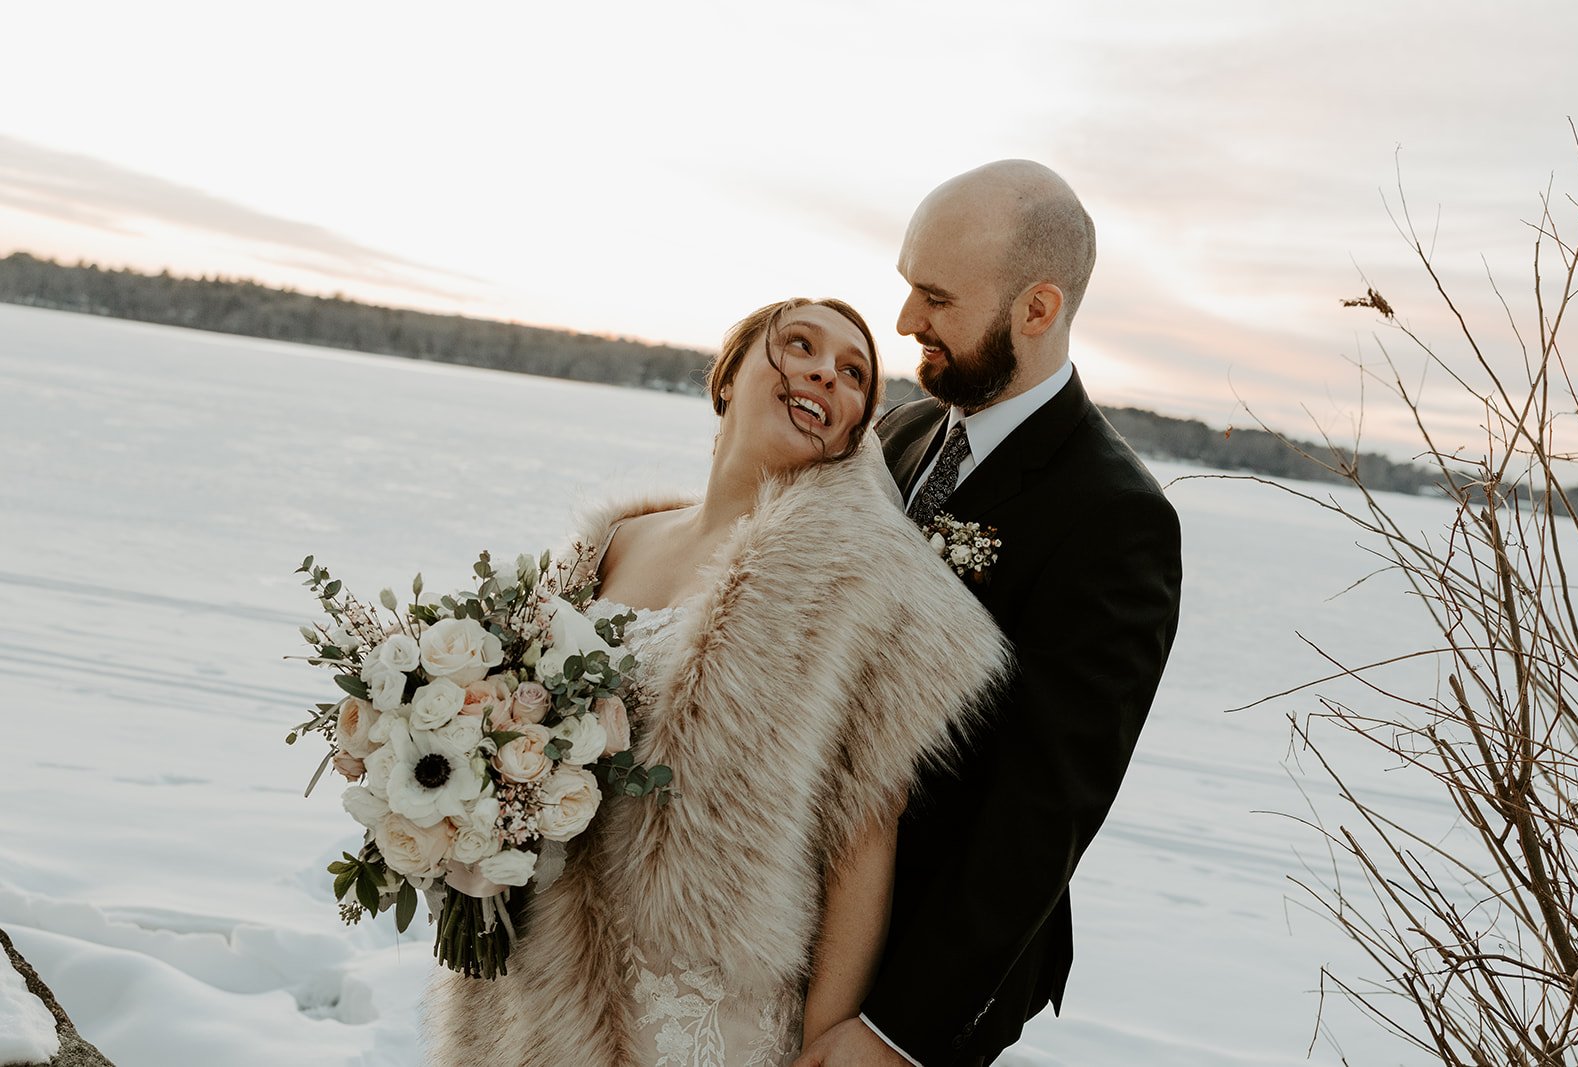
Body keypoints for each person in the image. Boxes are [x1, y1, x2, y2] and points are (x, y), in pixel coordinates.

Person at [426, 297, 1012, 1066]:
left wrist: (823, 1041)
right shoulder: (612, 541)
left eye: (852, 374)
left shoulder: (847, 586)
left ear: (848, 435)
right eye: (798, 343)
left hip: (702, 1014)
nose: (822, 372)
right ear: (728, 374)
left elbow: (864, 839)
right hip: (535, 976)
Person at [798, 161, 1183, 1066]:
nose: (904, 324)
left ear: (1037, 310)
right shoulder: (897, 432)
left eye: (935, 297)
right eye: (907, 288)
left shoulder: (1116, 518)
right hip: (790, 916)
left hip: (918, 967)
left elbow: (1044, 809)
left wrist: (899, 1032)